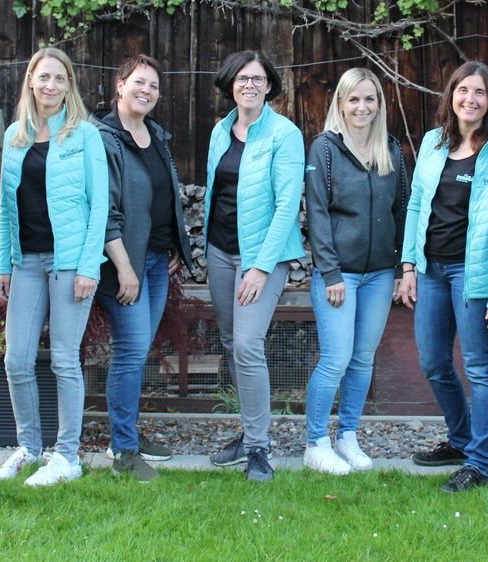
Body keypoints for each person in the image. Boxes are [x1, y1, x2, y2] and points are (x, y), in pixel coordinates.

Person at [397, 61, 488, 493]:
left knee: (480, 368)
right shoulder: (434, 142)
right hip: (431, 270)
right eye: (463, 90)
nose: (470, 99)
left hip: (476, 273)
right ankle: (462, 439)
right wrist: (409, 266)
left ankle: (480, 464)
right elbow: (415, 205)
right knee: (433, 361)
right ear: (451, 95)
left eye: (480, 92)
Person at [0, 47, 108, 489]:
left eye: (60, 79)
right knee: (16, 360)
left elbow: (100, 207)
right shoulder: (15, 136)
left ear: (69, 85)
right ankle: (29, 446)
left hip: (69, 263)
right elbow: (6, 207)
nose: (51, 86)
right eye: (44, 78)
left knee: (63, 360)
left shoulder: (84, 136)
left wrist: (88, 268)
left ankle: (67, 455)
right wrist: (4, 263)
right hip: (26, 263)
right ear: (31, 81)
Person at [202, 50, 305, 483]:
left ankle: (259, 448)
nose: (249, 85)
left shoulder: (285, 134)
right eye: (242, 78)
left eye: (257, 79)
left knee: (247, 344)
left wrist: (260, 266)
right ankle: (247, 434)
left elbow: (286, 205)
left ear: (269, 86)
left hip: (261, 258)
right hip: (220, 253)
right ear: (230, 85)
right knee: (232, 342)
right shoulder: (220, 130)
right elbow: (214, 192)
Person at [90, 54, 191, 482]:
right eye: (138, 82)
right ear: (119, 85)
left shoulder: (155, 136)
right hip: (123, 266)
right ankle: (125, 452)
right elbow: (105, 211)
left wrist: (172, 247)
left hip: (155, 261)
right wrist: (125, 268)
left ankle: (126, 435)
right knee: (131, 350)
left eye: (153, 85)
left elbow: (162, 198)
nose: (146, 91)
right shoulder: (103, 138)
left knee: (137, 352)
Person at [301, 68, 407, 475]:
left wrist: (399, 267)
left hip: (379, 274)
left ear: (378, 103)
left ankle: (347, 436)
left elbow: (400, 211)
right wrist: (330, 274)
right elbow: (318, 215)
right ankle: (315, 442)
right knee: (336, 359)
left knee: (362, 359)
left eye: (369, 99)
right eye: (353, 100)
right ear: (340, 104)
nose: (361, 107)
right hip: (339, 274)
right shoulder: (324, 150)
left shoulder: (391, 150)